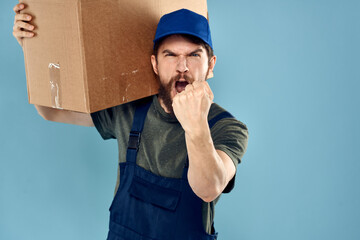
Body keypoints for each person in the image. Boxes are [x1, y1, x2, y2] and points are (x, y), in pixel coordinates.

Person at [13, 3, 248, 240]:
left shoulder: (227, 127)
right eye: (171, 55)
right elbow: (52, 112)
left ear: (211, 65)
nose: (182, 67)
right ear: (155, 64)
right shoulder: (130, 110)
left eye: (194, 55)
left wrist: (196, 123)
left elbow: (209, 189)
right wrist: (32, 50)